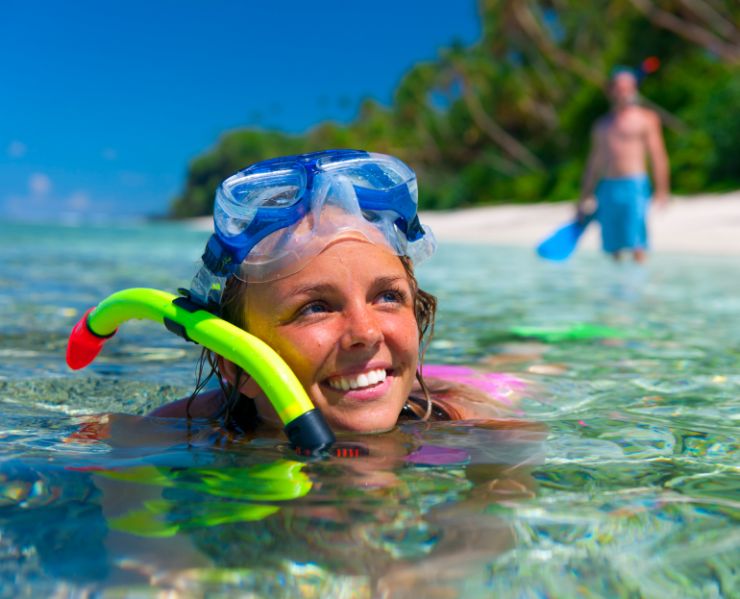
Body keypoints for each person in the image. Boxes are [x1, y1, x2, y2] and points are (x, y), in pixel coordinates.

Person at [150, 149, 520, 433]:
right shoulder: (171, 435)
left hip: (474, 383)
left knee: (518, 365)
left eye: (388, 297)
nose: (367, 332)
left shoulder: (469, 426)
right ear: (236, 367)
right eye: (316, 307)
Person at [577, 67, 670, 262]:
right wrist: (584, 197)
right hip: (607, 188)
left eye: (628, 87)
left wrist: (662, 189)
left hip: (635, 185)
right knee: (612, 245)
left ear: (635, 89)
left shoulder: (646, 119)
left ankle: (640, 287)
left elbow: (658, 156)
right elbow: (594, 164)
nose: (624, 92)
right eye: (619, 88)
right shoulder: (602, 125)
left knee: (637, 242)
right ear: (611, 91)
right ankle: (616, 289)